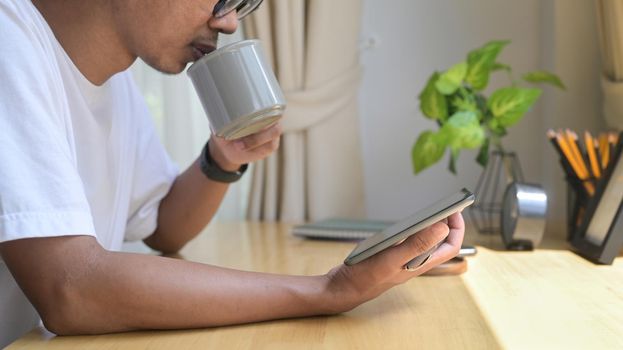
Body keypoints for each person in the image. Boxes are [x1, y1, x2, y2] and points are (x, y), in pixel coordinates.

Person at [0, 0, 465, 346]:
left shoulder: (115, 80)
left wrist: (222, 160)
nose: (229, 22)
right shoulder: (9, 40)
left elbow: (162, 225)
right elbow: (71, 289)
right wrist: (329, 290)